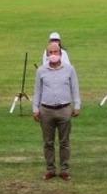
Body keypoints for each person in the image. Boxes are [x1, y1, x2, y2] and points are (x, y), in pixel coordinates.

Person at [32, 41, 81, 181]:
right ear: (47, 55)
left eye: (56, 52)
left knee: (64, 142)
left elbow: (74, 88)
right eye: (50, 53)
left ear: (60, 54)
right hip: (46, 110)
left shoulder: (69, 69)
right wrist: (35, 109)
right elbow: (37, 90)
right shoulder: (41, 70)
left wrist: (77, 105)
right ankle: (50, 169)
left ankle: (65, 169)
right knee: (48, 142)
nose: (53, 55)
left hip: (64, 109)